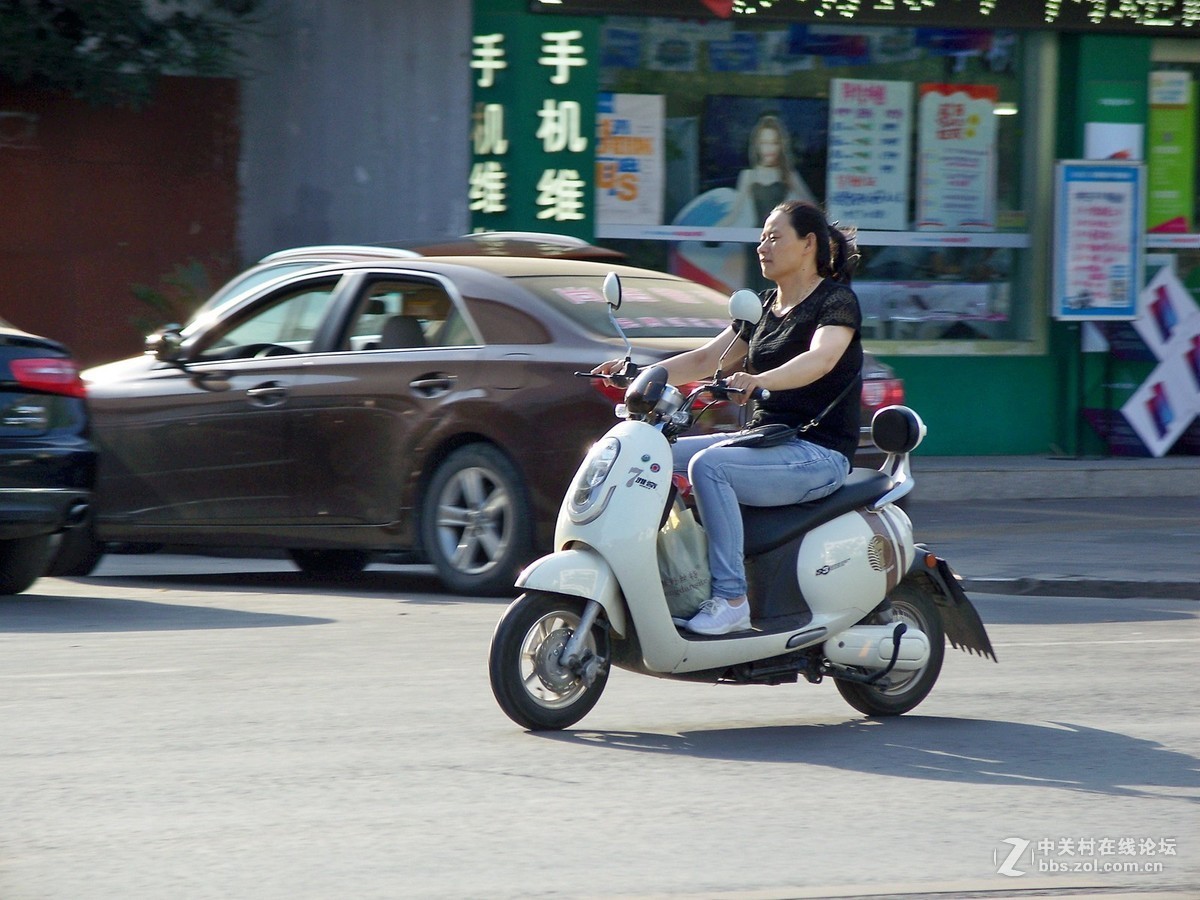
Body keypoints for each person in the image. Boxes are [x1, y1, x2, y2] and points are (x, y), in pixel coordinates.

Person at [594, 201, 863, 635]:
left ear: (808, 244)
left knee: (709, 466)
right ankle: (675, 577)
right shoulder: (763, 307)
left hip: (817, 452)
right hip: (764, 442)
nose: (762, 246)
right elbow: (706, 358)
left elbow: (821, 359)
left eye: (775, 237)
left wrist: (760, 379)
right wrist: (642, 374)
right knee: (654, 455)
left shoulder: (835, 302)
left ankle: (732, 598)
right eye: (762, 237)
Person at [721, 115, 817, 292]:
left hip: (780, 244)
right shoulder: (748, 176)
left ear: (781, 145)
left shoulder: (788, 175)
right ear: (757, 145)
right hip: (755, 244)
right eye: (764, 143)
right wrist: (708, 232)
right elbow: (734, 214)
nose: (769, 149)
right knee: (754, 295)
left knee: (776, 293)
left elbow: (813, 208)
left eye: (773, 143)